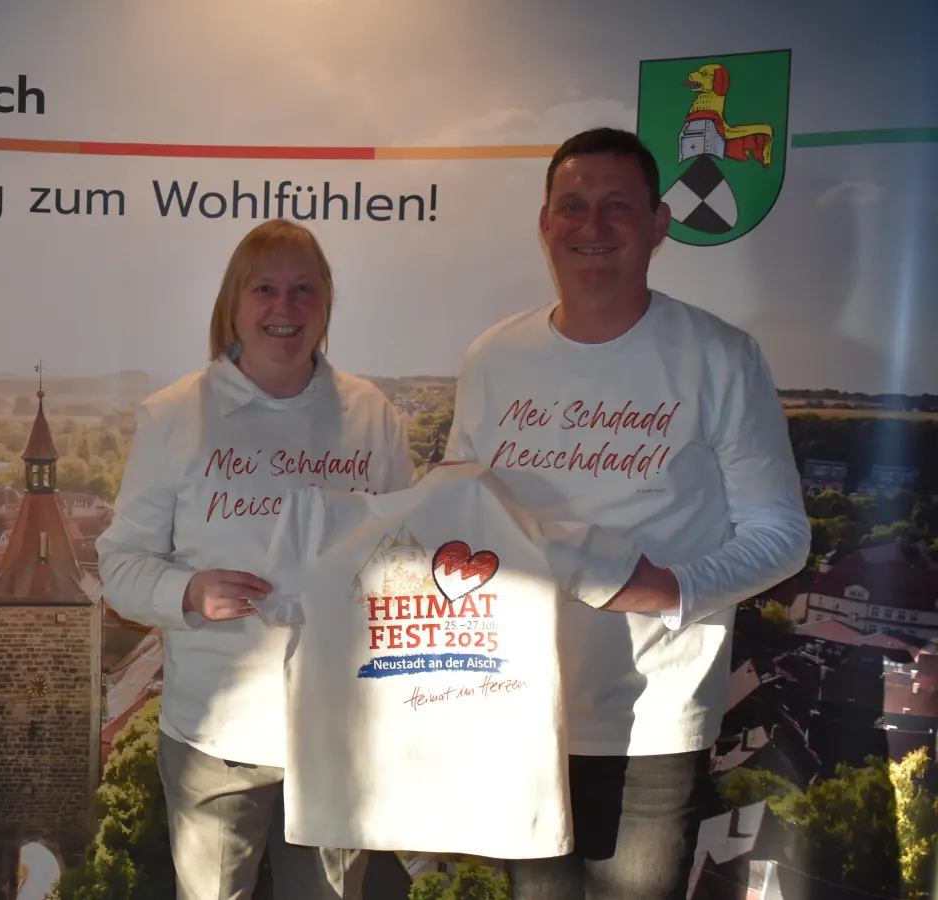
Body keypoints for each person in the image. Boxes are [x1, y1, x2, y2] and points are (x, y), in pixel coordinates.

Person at [442, 126, 811, 899]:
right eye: (572, 206)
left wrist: (665, 588)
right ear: (545, 225)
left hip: (656, 721)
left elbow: (781, 537)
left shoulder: (720, 356)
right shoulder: (493, 357)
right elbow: (459, 509)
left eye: (618, 206)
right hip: (516, 707)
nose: (593, 225)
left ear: (657, 225)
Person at [96, 219, 416, 899]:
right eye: (265, 288)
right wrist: (189, 591)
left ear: (327, 305)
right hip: (217, 736)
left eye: (305, 289)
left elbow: (405, 560)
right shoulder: (174, 416)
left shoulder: (371, 415)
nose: (285, 307)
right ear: (233, 305)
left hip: (338, 729)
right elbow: (120, 567)